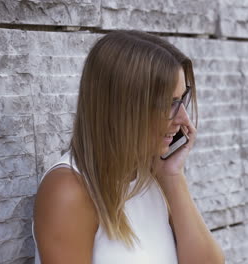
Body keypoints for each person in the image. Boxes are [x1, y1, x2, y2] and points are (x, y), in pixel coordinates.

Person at [32, 30, 225, 264]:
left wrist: (173, 176)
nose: (184, 119)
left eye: (182, 99)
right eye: (170, 103)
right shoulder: (70, 191)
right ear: (123, 108)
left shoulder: (153, 176)